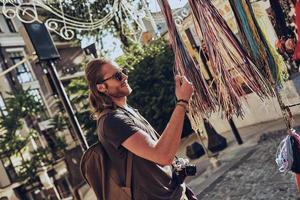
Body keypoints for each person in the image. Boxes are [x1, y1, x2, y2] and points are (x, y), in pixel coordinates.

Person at [85, 58, 195, 200]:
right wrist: (182, 102)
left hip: (174, 193)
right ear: (101, 87)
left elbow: (157, 153)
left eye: (123, 72)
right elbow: (162, 155)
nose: (125, 77)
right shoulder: (112, 121)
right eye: (118, 76)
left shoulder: (128, 111)